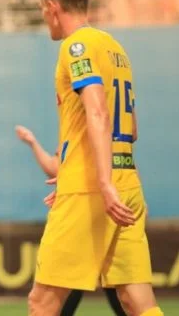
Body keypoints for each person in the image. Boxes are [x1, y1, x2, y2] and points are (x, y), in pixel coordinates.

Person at [28, 0, 163, 316]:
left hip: (91, 190)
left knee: (42, 302)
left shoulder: (76, 47)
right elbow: (130, 128)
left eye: (42, 10)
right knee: (136, 300)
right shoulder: (115, 49)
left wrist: (101, 182)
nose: (44, 18)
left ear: (53, 7)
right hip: (127, 182)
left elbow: (98, 111)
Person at [15, 125, 126, 316]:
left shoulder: (87, 120)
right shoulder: (110, 129)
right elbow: (57, 168)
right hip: (115, 201)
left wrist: (72, 184)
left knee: (57, 288)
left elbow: (56, 169)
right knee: (129, 295)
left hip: (88, 205)